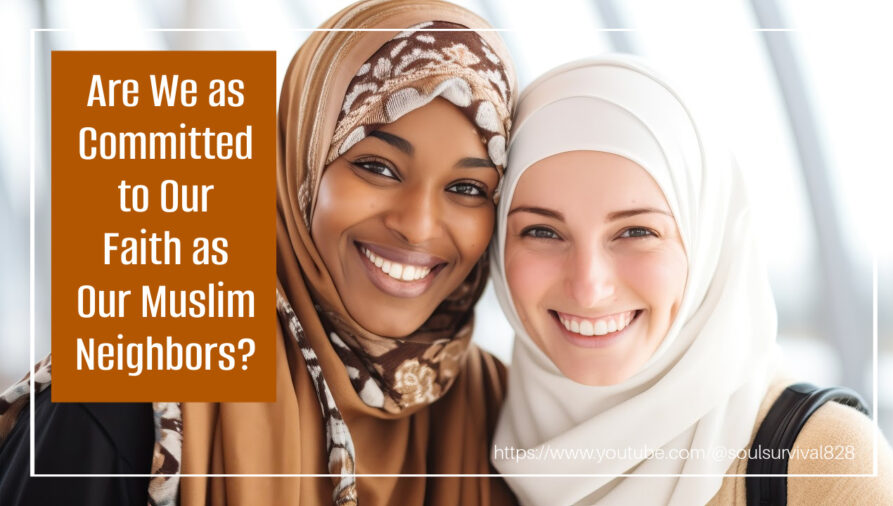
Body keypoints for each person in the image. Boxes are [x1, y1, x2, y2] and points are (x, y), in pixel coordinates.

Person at [0, 1, 518, 505]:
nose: (418, 226)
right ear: (298, 164)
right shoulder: (134, 392)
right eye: (377, 167)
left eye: (469, 188)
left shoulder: (506, 416)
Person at [489, 55, 893, 505]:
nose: (589, 286)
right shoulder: (463, 433)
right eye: (542, 231)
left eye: (636, 232)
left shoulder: (825, 464)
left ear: (707, 241)